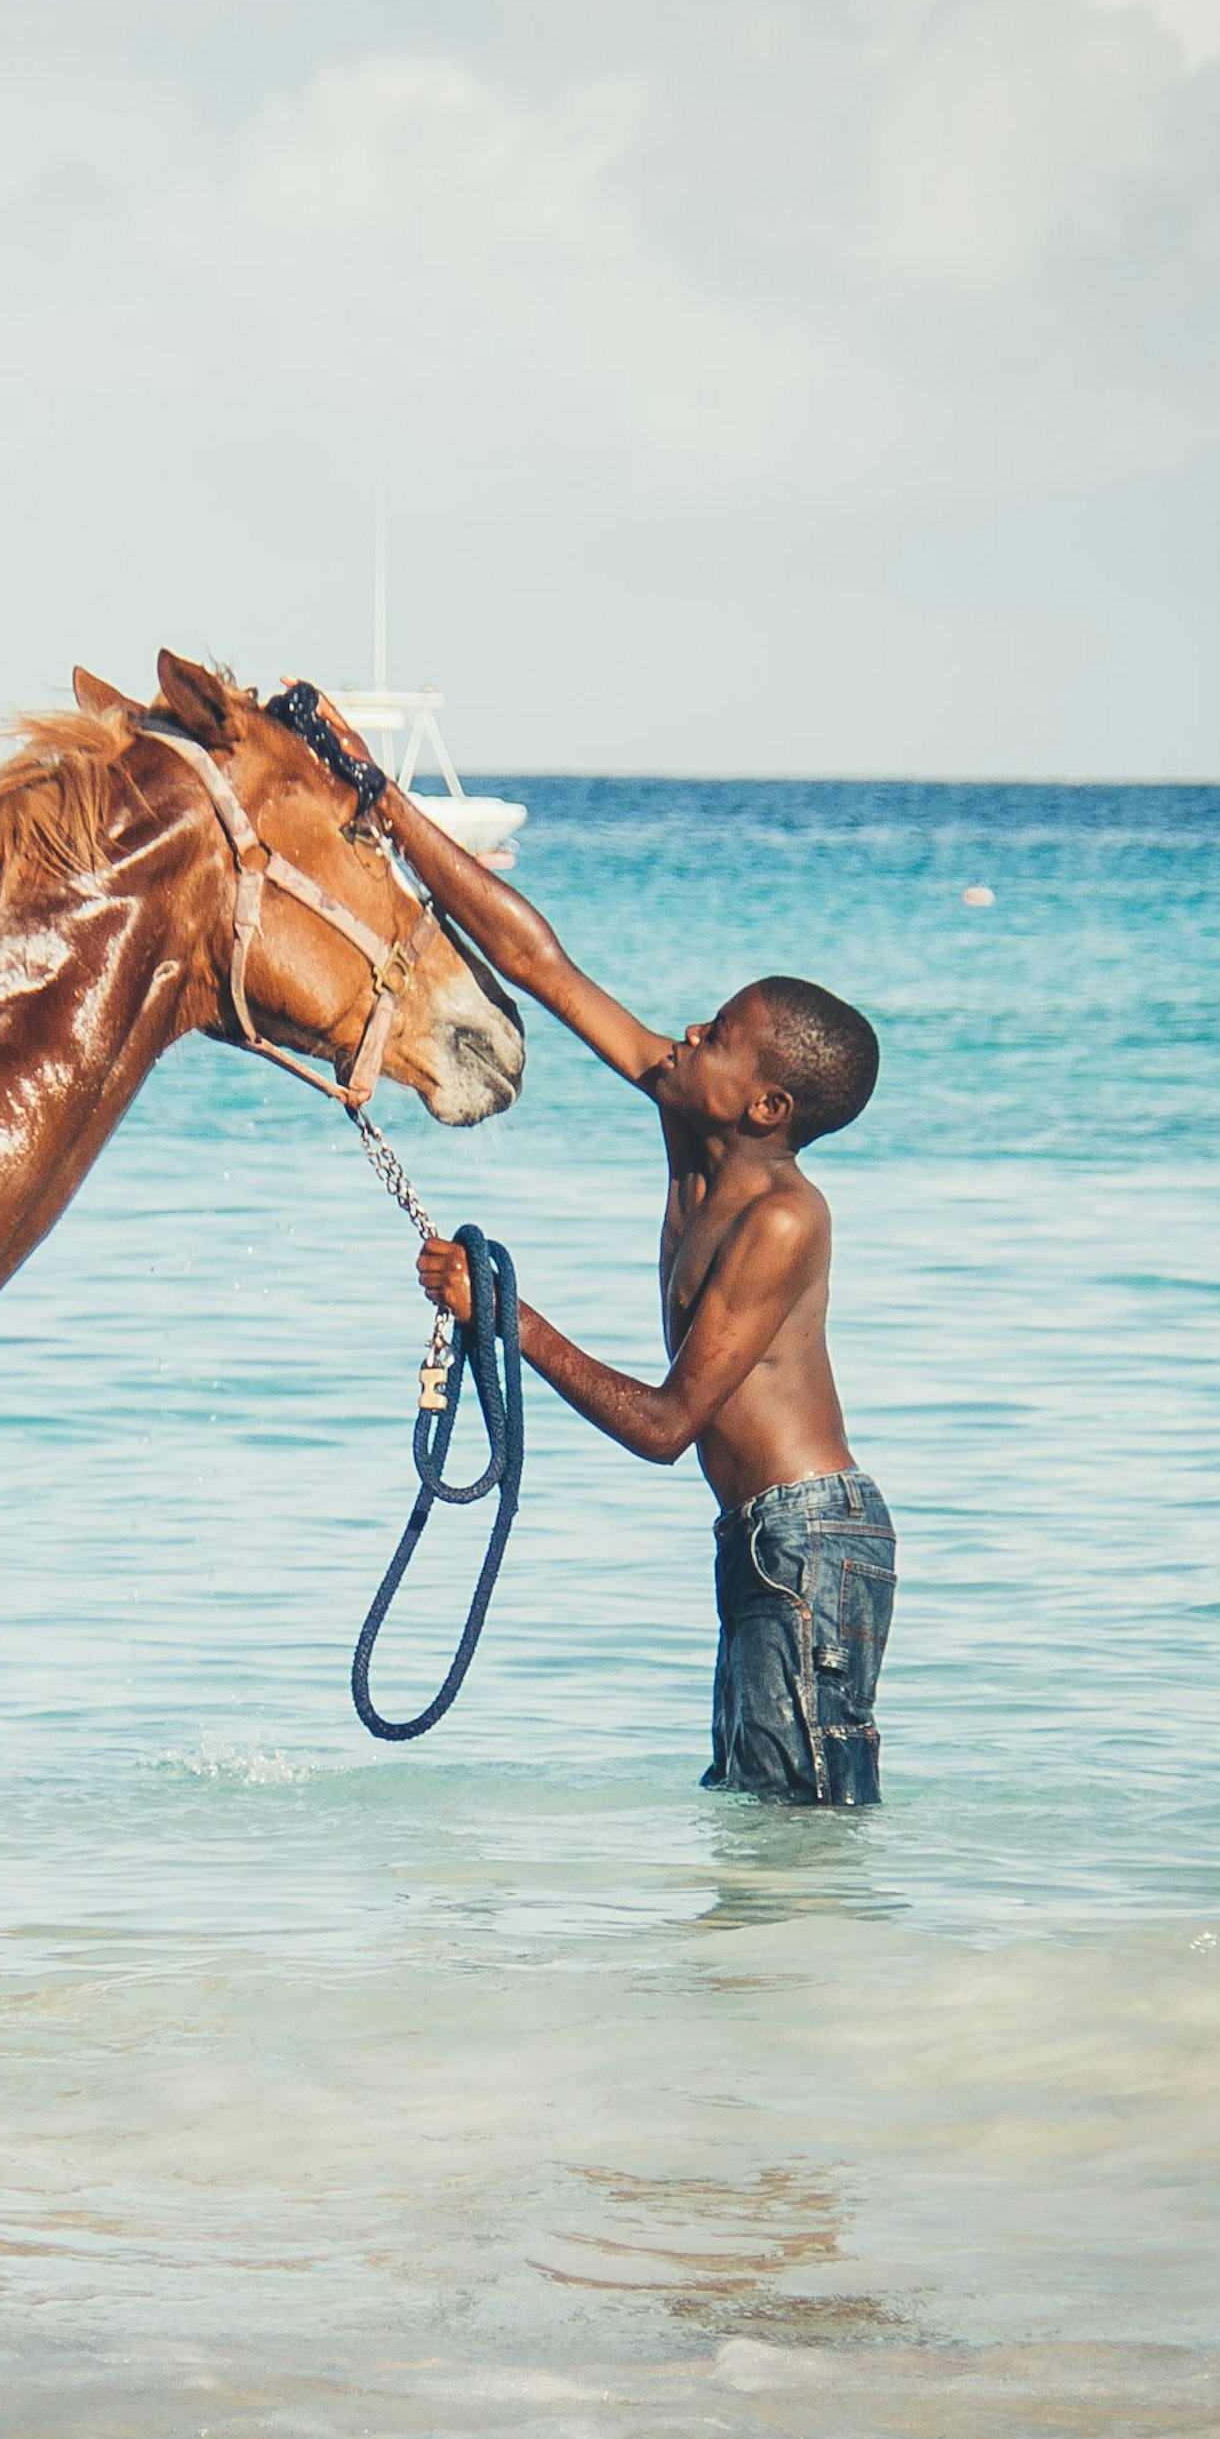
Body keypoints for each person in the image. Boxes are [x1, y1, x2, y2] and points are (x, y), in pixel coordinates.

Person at [369, 772, 895, 1807]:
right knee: (757, 1805)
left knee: (796, 1818)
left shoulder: (785, 1219)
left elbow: (666, 1425)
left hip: (811, 1538)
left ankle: (797, 1971)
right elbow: (537, 962)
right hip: (766, 1536)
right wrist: (384, 804)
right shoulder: (691, 1116)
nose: (687, 1033)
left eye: (716, 1036)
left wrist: (509, 1320)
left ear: (767, 1102)